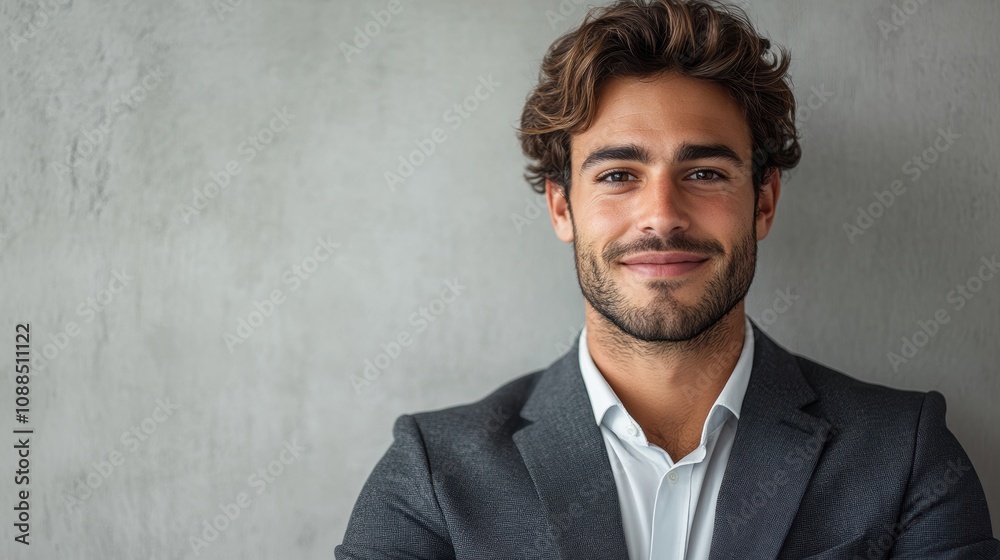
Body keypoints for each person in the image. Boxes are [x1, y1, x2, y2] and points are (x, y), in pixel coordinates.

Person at [336, 1, 998, 558]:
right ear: (562, 207)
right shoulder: (434, 474)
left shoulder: (903, 454)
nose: (661, 215)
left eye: (704, 173)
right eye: (618, 175)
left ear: (764, 202)